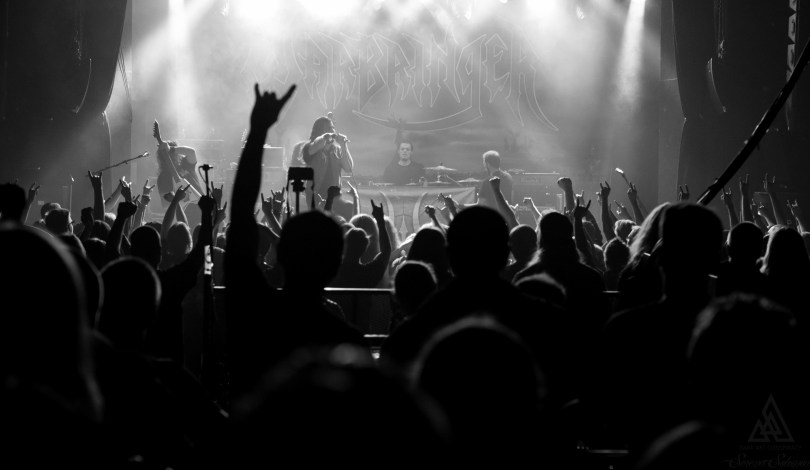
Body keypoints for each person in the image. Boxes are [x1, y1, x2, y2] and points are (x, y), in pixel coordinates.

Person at [152, 120, 205, 202]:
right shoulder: (163, 178)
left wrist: (171, 149)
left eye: (173, 153)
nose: (170, 155)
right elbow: (165, 204)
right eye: (166, 154)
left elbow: (191, 152)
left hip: (202, 205)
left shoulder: (185, 164)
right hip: (183, 209)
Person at [302, 116, 353, 201]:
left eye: (333, 127)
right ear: (319, 130)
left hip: (334, 198)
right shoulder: (309, 147)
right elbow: (315, 146)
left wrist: (343, 146)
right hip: (314, 197)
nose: (332, 130)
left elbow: (348, 168)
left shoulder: (337, 150)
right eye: (329, 128)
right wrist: (324, 137)